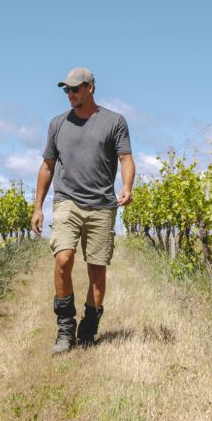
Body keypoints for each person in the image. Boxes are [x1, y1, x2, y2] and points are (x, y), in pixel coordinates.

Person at [31, 67, 135, 354]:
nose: (70, 94)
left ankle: (88, 326)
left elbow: (126, 158)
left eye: (75, 88)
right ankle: (65, 329)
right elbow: (47, 166)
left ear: (90, 87)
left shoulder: (115, 121)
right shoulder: (57, 124)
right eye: (67, 90)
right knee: (63, 258)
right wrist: (38, 206)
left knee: (96, 270)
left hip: (102, 205)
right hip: (67, 201)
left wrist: (127, 186)